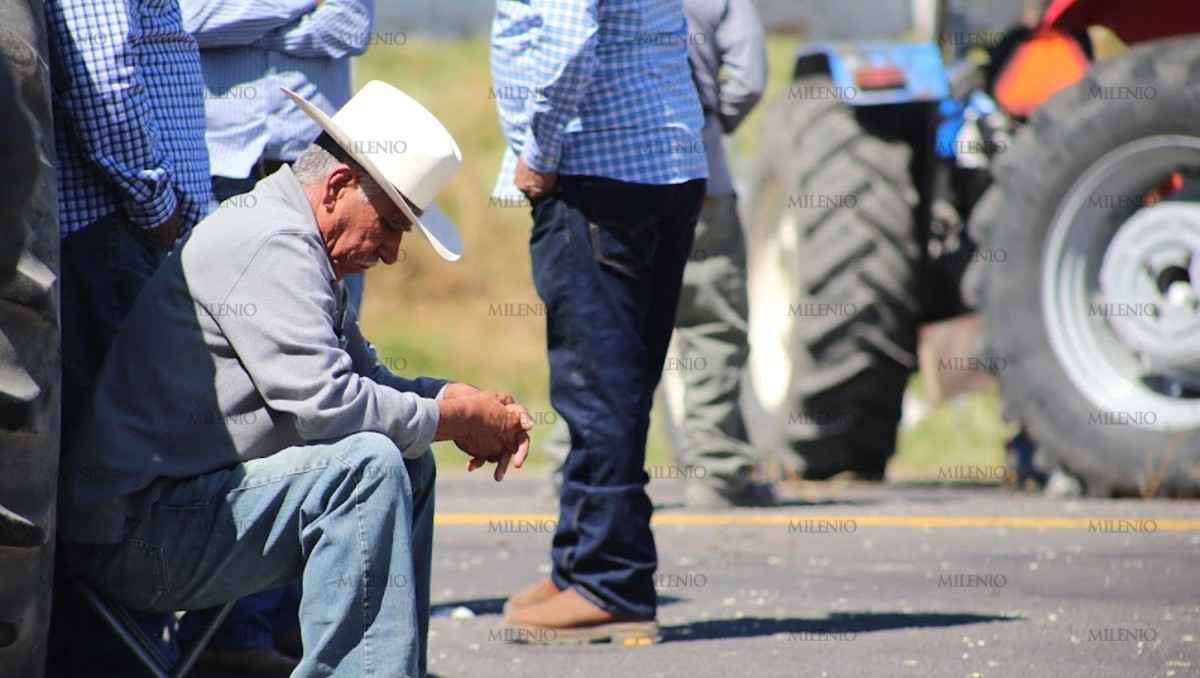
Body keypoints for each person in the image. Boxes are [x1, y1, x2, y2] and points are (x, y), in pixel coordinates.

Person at [57, 81, 532, 678]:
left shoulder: (295, 235)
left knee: (407, 463)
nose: (390, 253)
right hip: (137, 541)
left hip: (186, 516)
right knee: (368, 467)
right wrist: (456, 418)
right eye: (389, 224)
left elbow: (364, 379)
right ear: (336, 188)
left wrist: (449, 398)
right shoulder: (274, 242)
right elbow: (327, 407)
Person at [490, 0, 708, 642]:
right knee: (620, 385)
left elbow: (565, 34)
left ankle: (610, 583)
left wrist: (539, 148)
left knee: (598, 391)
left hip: (595, 172)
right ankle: (581, 567)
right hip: (663, 162)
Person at [177, 1, 377, 671]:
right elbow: (188, 17)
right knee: (241, 396)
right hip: (220, 156)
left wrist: (248, 14)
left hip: (309, 157)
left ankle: (300, 619)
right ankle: (231, 637)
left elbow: (351, 25)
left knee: (326, 377)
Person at [542, 0, 773, 509]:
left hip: (602, 180)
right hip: (700, 176)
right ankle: (715, 473)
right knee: (711, 325)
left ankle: (575, 467)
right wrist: (712, 126)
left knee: (597, 324)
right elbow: (750, 77)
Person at [43, 0, 212, 673]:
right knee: (119, 482)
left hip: (117, 233)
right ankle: (110, 659)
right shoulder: (128, 224)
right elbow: (103, 74)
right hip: (112, 231)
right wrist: (157, 204)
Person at [180, 0, 374, 313]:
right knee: (214, 310)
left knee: (331, 316)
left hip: (317, 166)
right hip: (219, 163)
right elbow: (191, 18)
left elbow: (350, 28)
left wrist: (244, 31)